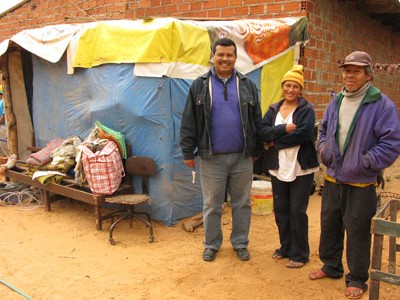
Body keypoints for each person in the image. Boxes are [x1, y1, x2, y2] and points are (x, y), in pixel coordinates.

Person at [310, 51, 400, 299]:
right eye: (347, 70)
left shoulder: (381, 105)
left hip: (361, 182)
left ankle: (358, 277)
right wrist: (323, 149)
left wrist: (366, 161)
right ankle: (331, 266)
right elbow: (325, 130)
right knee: (330, 225)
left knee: (358, 230)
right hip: (332, 178)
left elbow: (391, 143)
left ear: (368, 75)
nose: (350, 75)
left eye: (356, 71)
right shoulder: (336, 100)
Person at [180, 37, 262, 262]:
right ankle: (212, 244)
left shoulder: (247, 85)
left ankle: (240, 243)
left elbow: (256, 120)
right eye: (221, 55)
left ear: (236, 58)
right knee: (212, 204)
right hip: (211, 156)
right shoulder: (200, 85)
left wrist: (257, 149)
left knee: (242, 203)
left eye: (230, 55)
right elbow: (189, 120)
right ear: (213, 57)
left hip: (242, 157)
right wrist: (187, 151)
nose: (225, 59)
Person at [259, 65, 319, 268]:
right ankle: (285, 247)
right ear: (282, 86)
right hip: (278, 166)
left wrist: (275, 142)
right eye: (287, 85)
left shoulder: (306, 109)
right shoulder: (274, 108)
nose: (291, 90)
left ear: (301, 89)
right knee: (281, 209)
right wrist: (283, 128)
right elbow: (263, 131)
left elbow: (304, 134)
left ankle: (300, 253)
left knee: (297, 210)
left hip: (300, 167)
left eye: (295, 86)